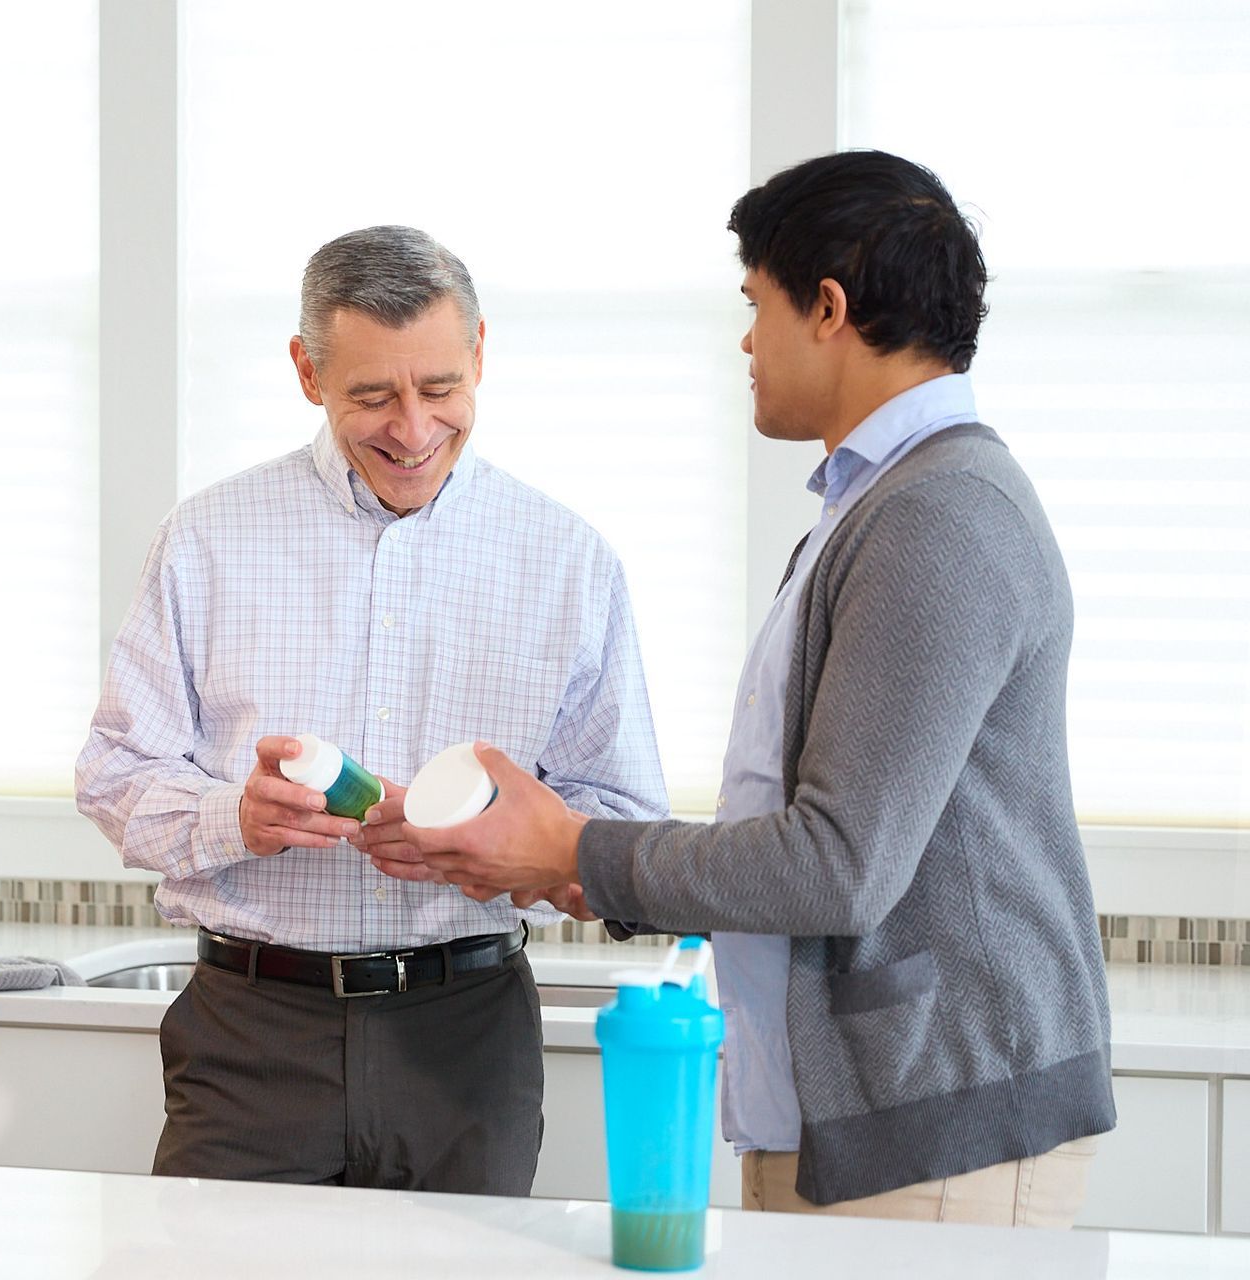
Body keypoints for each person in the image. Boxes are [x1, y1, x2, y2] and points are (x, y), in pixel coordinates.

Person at [400, 151, 1116, 1225]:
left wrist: (574, 848)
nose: (744, 341)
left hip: (933, 1138)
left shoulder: (937, 517)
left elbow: (836, 863)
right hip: (861, 1124)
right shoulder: (879, 505)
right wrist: (584, 866)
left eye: (756, 304)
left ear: (827, 307)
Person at [75, 225, 667, 1194]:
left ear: (480, 354)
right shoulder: (207, 540)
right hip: (250, 1035)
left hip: (466, 1034)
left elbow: (625, 825)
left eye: (439, 389)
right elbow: (112, 774)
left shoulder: (569, 563)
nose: (412, 427)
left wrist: (504, 845)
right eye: (372, 395)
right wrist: (239, 816)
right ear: (308, 372)